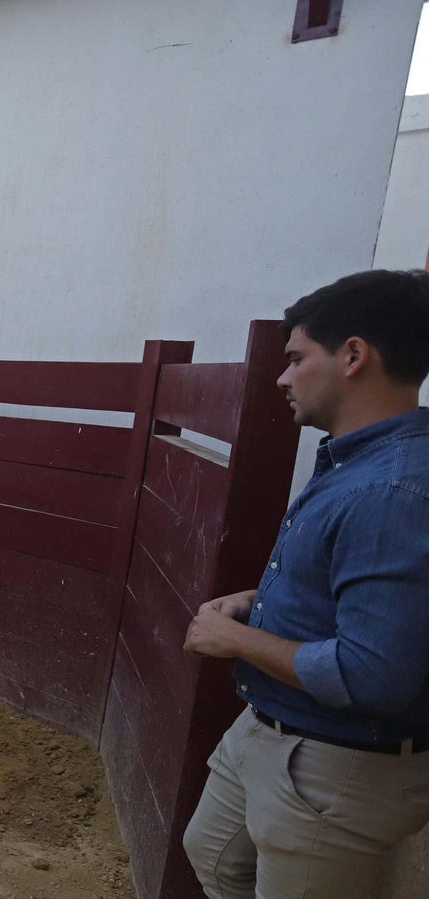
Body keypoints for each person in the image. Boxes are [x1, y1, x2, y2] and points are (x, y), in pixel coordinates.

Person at [181, 269, 429, 899]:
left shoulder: (392, 488)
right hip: (279, 727)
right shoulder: (366, 461)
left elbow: (373, 677)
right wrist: (256, 603)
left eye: (296, 359)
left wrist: (236, 640)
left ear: (353, 355)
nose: (282, 378)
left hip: (334, 763)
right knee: (212, 856)